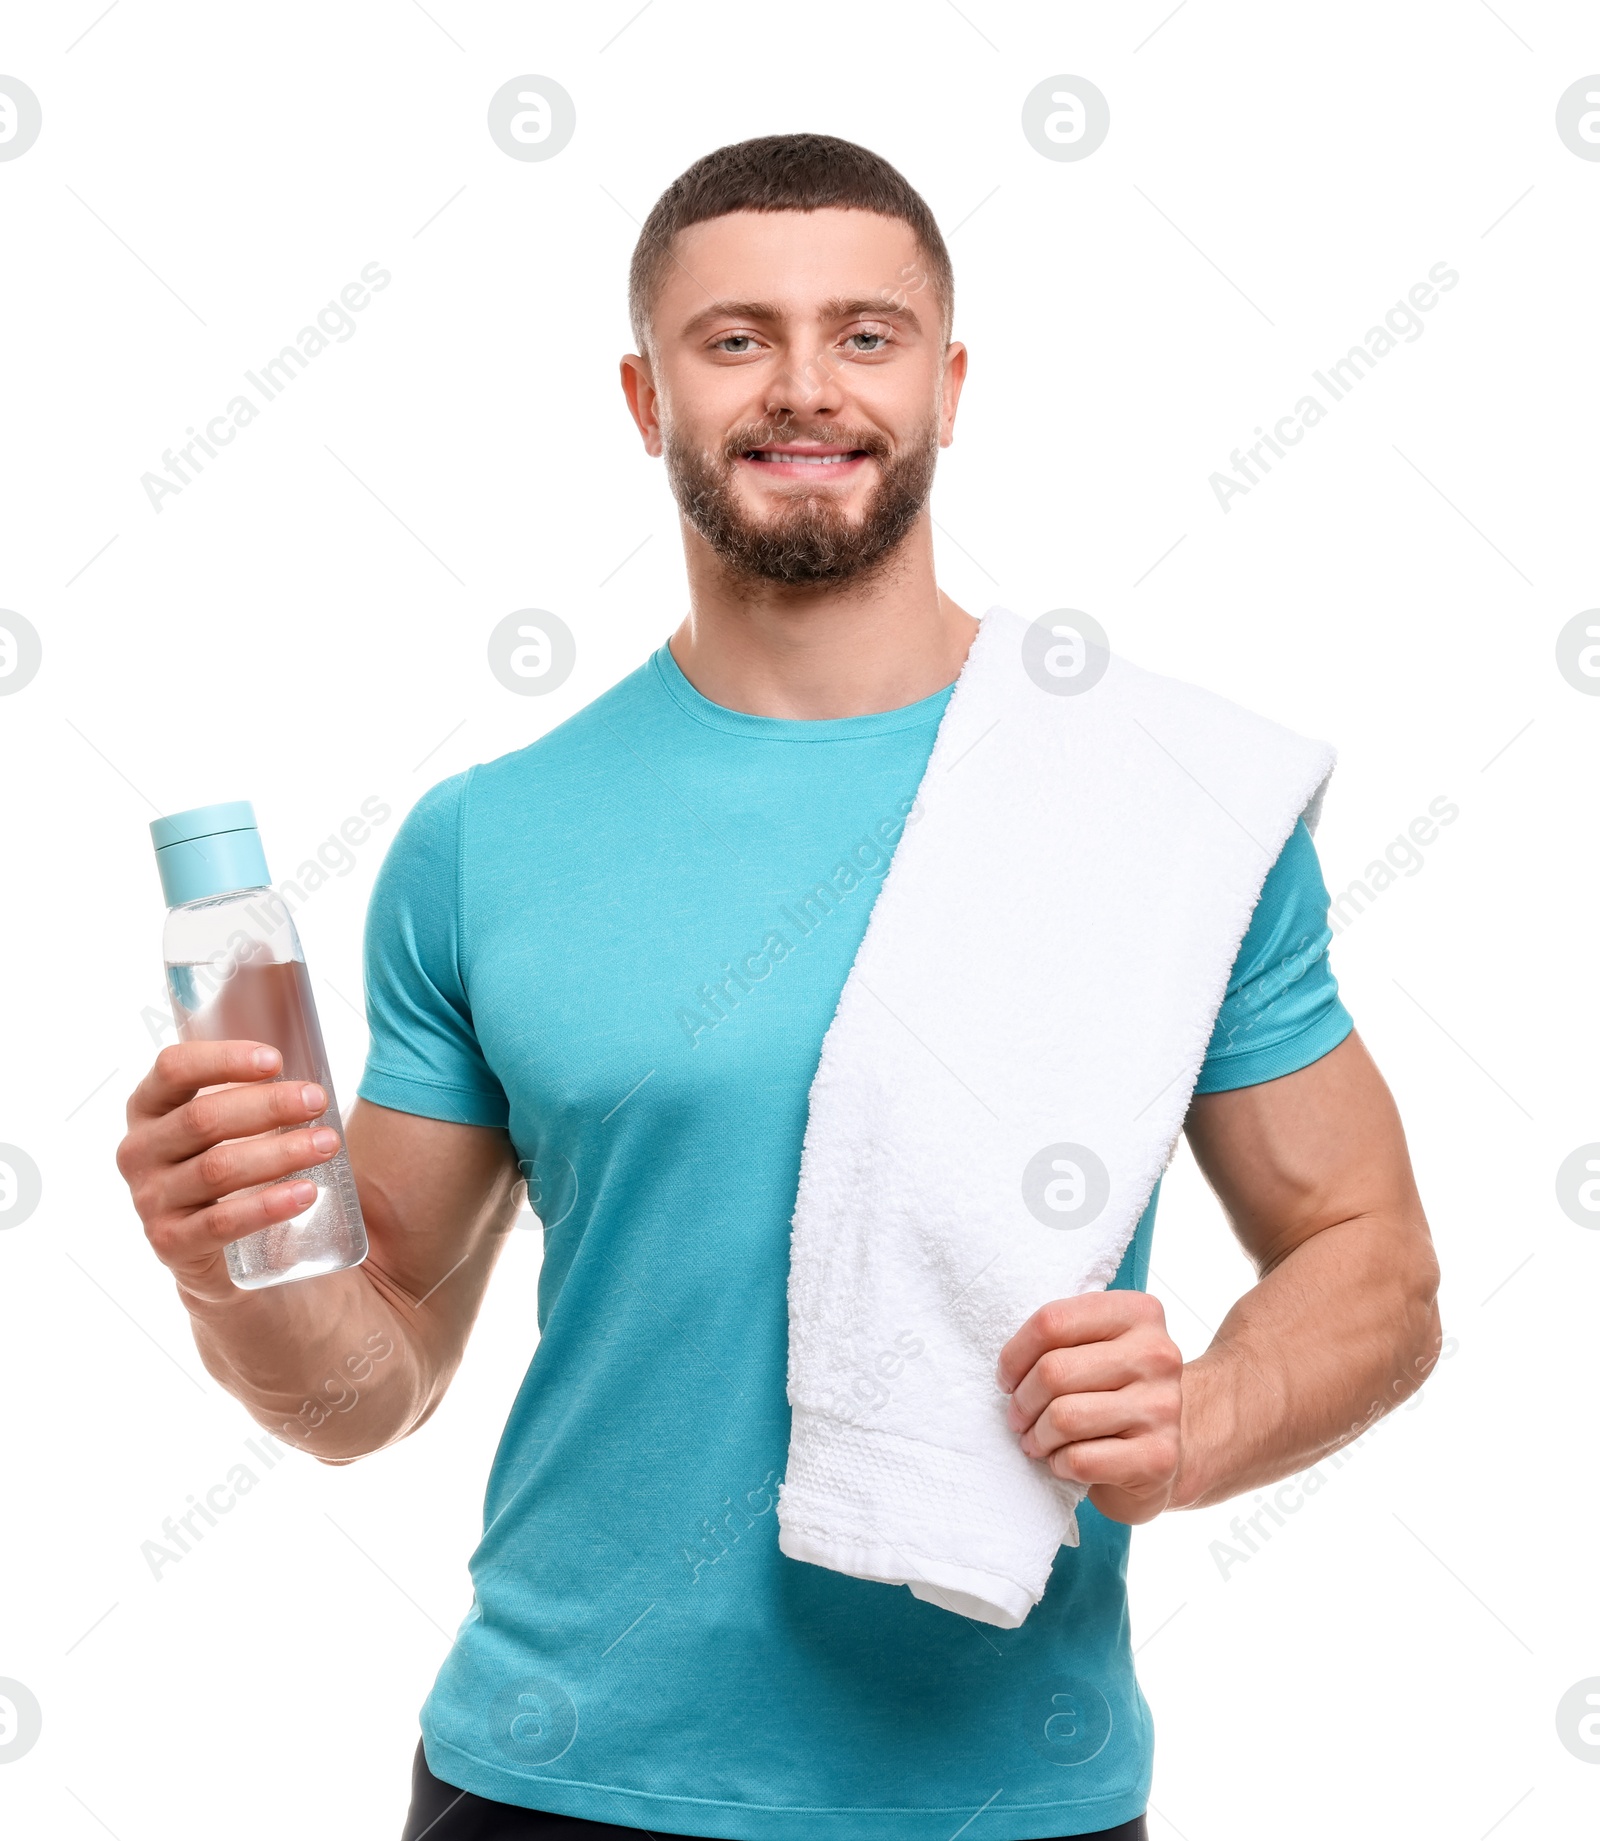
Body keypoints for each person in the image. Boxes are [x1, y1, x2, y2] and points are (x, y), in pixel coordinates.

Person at [115, 135, 1442, 1841]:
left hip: (1005, 1794)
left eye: (866, 335)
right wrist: (232, 1257)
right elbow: (365, 1386)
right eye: (734, 338)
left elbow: (1376, 1257)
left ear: (950, 385)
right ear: (641, 391)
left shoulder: (1160, 800)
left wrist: (1206, 1418)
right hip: (552, 1775)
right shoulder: (483, 841)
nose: (804, 388)